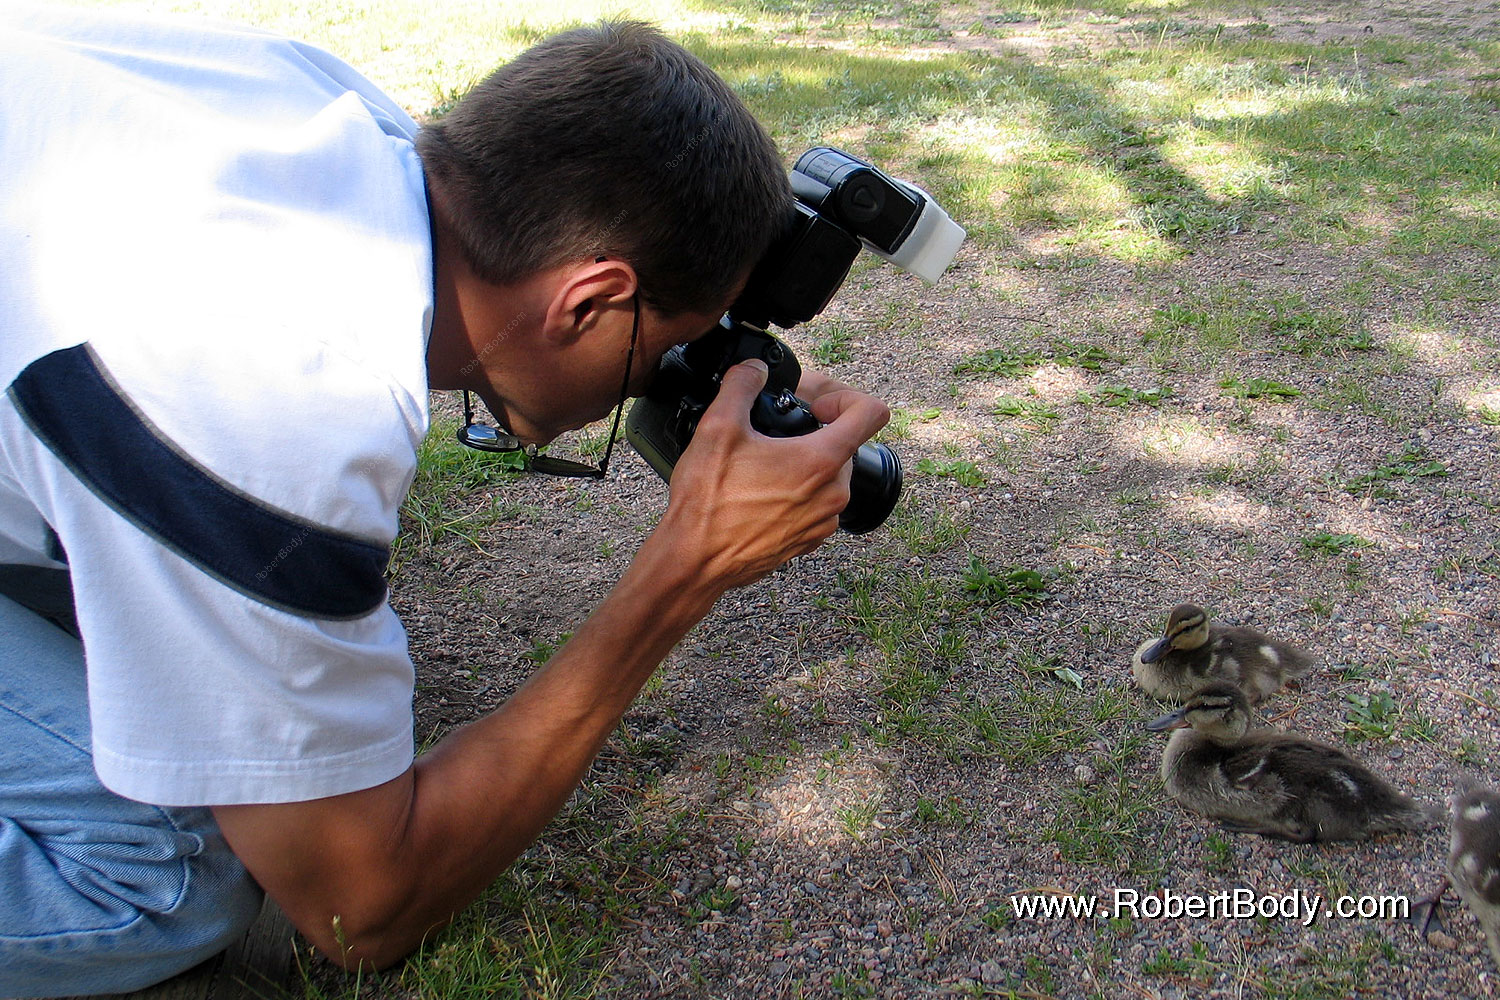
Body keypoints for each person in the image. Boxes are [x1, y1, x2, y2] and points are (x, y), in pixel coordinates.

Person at [0, 6, 890, 995]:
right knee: (165, 875)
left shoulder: (334, 114)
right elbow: (363, 902)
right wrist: (687, 565)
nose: (656, 374)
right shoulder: (269, 401)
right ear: (586, 302)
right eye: (663, 341)